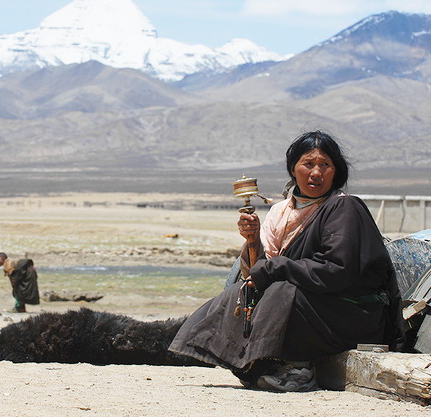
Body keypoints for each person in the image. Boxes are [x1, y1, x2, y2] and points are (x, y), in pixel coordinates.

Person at [169, 130, 404, 392]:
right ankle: (247, 361)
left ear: (336, 171)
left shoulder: (344, 207)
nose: (316, 173)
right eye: (308, 164)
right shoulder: (280, 212)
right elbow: (259, 271)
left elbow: (336, 271)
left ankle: (297, 368)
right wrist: (252, 240)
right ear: (294, 169)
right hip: (315, 307)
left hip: (352, 314)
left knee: (283, 290)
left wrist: (279, 267)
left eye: (325, 165)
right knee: (242, 291)